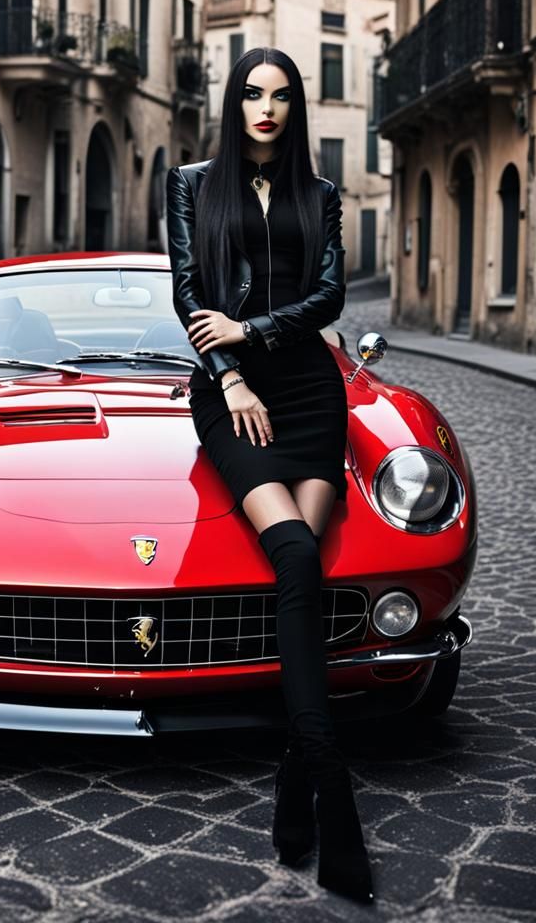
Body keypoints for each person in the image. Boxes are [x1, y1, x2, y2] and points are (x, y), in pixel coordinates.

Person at [166, 46, 374, 904]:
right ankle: (331, 783)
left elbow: (330, 298)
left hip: (310, 393)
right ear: (234, 102)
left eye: (282, 95)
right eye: (253, 93)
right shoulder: (191, 185)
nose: (267, 107)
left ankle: (297, 777)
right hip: (231, 395)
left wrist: (253, 333)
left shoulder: (319, 195)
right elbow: (188, 293)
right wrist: (231, 375)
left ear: (295, 107)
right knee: (292, 553)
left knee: (304, 568)